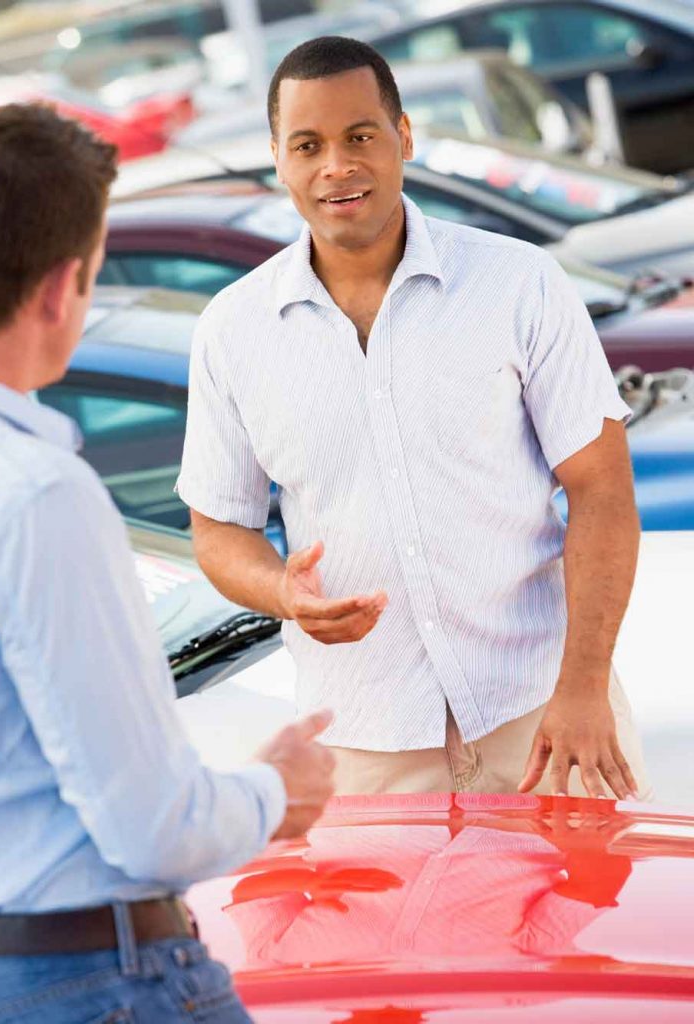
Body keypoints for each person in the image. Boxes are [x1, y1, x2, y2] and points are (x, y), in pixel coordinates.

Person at [0, 104, 334, 1024]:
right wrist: (278, 790)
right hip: (91, 981)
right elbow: (154, 826)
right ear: (61, 288)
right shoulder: (33, 491)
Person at [178, 37, 650, 802]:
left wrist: (586, 688)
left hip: (544, 718)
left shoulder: (519, 283)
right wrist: (282, 593)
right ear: (278, 157)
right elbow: (219, 531)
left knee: (593, 926)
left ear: (403, 136)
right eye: (308, 145)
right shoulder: (232, 331)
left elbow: (601, 489)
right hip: (365, 747)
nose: (337, 165)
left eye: (360, 135)